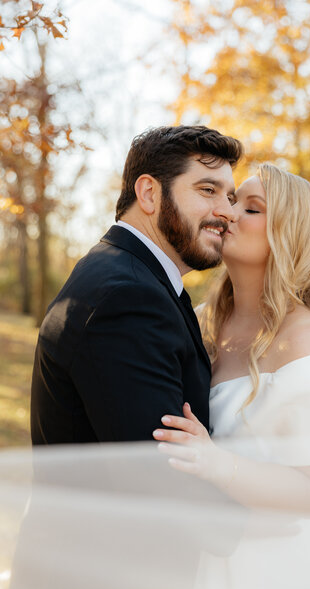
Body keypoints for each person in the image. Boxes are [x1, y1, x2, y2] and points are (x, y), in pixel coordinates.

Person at [153, 163, 310, 589]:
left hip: (276, 574)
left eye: (252, 208)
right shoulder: (201, 322)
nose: (227, 214)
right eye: (231, 202)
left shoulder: (308, 342)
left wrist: (217, 464)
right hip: (195, 557)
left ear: (287, 235)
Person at [31, 124, 242, 444]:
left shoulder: (120, 271)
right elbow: (156, 476)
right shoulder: (128, 297)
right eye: (208, 190)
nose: (227, 211)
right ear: (149, 193)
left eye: (230, 197)